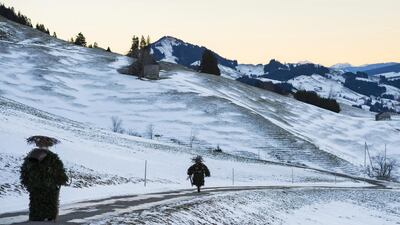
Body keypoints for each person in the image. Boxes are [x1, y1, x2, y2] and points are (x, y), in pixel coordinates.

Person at [20, 136, 68, 221]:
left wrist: (28, 183)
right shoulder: (52, 157)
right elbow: (59, 171)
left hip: (38, 188)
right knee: (47, 208)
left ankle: (38, 219)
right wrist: (62, 179)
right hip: (48, 188)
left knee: (37, 207)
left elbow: (24, 172)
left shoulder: (32, 155)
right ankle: (47, 219)